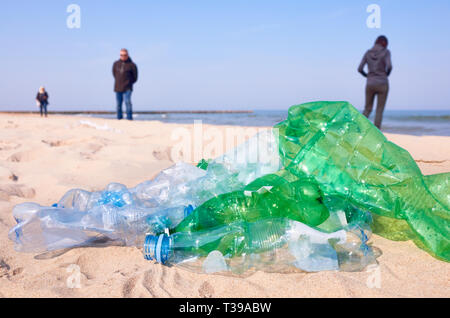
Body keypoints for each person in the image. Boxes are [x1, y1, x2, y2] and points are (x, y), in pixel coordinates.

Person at [358, 35, 393, 129]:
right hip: (383, 83)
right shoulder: (386, 52)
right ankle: (377, 133)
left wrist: (368, 76)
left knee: (367, 109)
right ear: (385, 44)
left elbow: (360, 69)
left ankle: (358, 128)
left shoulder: (368, 53)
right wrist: (386, 74)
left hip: (370, 83)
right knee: (379, 110)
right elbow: (389, 66)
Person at [112, 49, 138, 120]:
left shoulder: (132, 65)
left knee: (127, 102)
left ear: (128, 55)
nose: (123, 56)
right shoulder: (116, 64)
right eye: (121, 55)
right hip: (118, 87)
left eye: (124, 55)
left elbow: (135, 77)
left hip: (128, 88)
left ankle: (129, 119)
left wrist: (128, 82)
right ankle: (119, 118)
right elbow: (114, 74)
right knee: (118, 105)